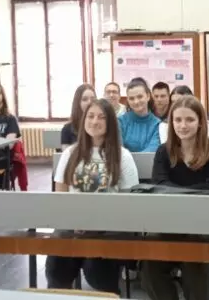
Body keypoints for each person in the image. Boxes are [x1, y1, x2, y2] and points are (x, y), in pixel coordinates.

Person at [46, 99, 138, 294]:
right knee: (56, 266)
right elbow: (60, 196)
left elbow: (129, 204)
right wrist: (73, 222)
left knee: (96, 270)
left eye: (101, 117)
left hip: (108, 230)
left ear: (110, 123)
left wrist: (98, 224)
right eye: (91, 116)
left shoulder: (123, 156)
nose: (95, 121)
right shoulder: (70, 153)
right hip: (73, 227)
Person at [142, 96, 209, 300]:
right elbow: (159, 185)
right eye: (178, 120)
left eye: (189, 119)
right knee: (150, 265)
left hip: (205, 223)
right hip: (170, 222)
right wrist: (191, 193)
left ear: (200, 122)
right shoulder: (163, 151)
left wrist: (176, 192)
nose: (183, 125)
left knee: (195, 266)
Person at [118, 79, 161, 152]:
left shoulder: (157, 124)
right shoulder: (120, 122)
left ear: (148, 96)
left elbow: (152, 150)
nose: (136, 101)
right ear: (128, 100)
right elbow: (119, 150)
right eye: (131, 98)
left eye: (140, 97)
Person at [60, 84, 96, 150]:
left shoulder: (100, 125)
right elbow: (67, 154)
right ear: (77, 103)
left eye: (93, 99)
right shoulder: (67, 129)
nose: (89, 102)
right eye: (85, 99)